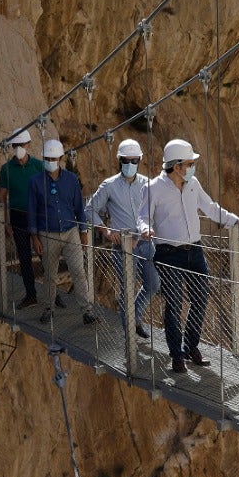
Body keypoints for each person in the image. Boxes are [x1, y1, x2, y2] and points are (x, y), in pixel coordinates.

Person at [148, 138, 239, 374]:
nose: (193, 167)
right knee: (173, 305)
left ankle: (190, 347)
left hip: (195, 251)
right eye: (190, 163)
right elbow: (144, 215)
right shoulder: (153, 188)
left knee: (201, 299)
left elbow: (210, 207)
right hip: (168, 254)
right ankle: (176, 356)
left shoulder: (193, 183)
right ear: (176, 166)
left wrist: (235, 221)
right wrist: (145, 229)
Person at [89, 138, 159, 338]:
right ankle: (129, 337)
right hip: (123, 246)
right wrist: (107, 232)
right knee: (127, 289)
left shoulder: (147, 184)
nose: (130, 165)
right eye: (126, 161)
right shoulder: (109, 186)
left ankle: (133, 319)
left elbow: (154, 211)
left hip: (145, 243)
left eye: (134, 161)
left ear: (139, 161)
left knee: (153, 284)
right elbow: (90, 210)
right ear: (120, 161)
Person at [28, 139, 95, 325]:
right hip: (47, 234)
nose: (50, 161)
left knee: (78, 272)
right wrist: (34, 237)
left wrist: (83, 230)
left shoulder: (72, 180)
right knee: (50, 274)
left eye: (53, 158)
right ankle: (49, 308)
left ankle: (87, 311)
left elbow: (79, 207)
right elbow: (32, 210)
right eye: (47, 158)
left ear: (60, 158)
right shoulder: (35, 182)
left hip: (71, 231)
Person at [0, 128, 43, 308]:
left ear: (28, 145)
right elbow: (2, 196)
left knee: (45, 256)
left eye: (21, 145)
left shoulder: (39, 166)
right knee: (24, 258)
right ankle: (31, 295)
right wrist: (6, 222)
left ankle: (53, 295)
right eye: (15, 146)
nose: (18, 149)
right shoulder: (6, 169)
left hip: (37, 215)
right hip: (17, 217)